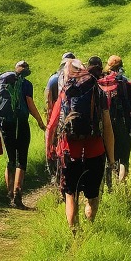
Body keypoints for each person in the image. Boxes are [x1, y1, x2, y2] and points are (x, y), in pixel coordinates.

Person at [45, 57, 114, 231]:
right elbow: (107, 127)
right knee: (92, 196)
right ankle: (90, 226)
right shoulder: (98, 91)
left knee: (70, 194)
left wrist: (49, 150)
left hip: (69, 151)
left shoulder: (65, 92)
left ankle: (74, 233)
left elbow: (52, 125)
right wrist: (111, 160)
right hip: (95, 150)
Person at [0, 60, 46, 209]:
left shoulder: (3, 83)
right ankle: (18, 196)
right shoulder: (26, 84)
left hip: (5, 123)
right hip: (21, 123)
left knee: (10, 159)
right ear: (26, 71)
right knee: (21, 159)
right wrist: (40, 122)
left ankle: (9, 194)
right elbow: (30, 104)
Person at [100, 55, 131, 188]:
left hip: (106, 126)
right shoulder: (129, 85)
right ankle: (121, 187)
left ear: (108, 66)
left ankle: (109, 189)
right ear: (122, 67)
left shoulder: (102, 83)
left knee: (109, 158)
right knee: (123, 160)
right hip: (125, 127)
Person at [44, 52, 75, 184]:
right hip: (72, 118)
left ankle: (54, 174)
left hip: (56, 118)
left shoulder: (53, 79)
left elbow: (48, 102)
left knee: (52, 145)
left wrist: (49, 120)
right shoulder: (79, 78)